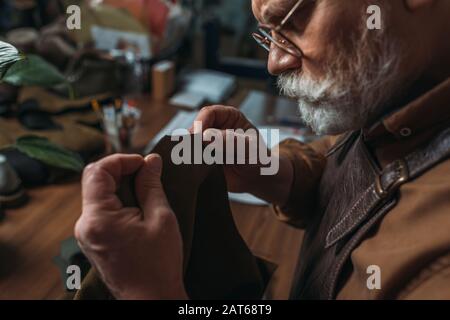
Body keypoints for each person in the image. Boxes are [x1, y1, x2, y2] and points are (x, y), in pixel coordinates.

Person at [74, 0, 450, 299]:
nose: (276, 61)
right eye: (269, 35)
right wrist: (277, 173)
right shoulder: (403, 92)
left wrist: (146, 290)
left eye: (293, 22)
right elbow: (355, 156)